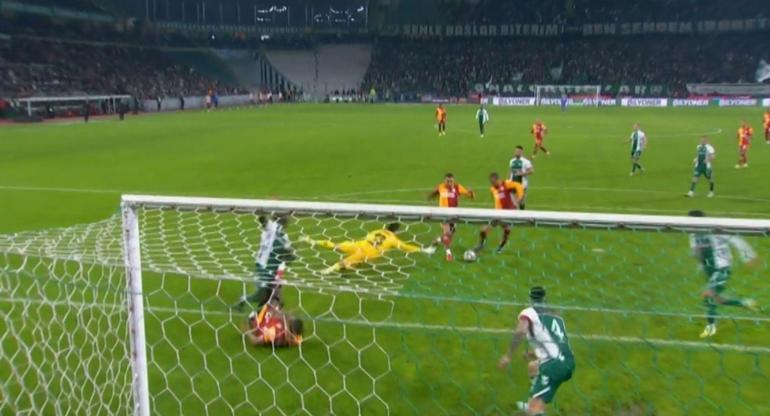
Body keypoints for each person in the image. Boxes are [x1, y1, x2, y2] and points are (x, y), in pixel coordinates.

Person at [498, 286, 575, 416]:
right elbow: (556, 342)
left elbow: (520, 331)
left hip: (553, 364)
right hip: (567, 361)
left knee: (535, 409)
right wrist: (534, 353)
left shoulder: (529, 313)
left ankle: (534, 407)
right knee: (533, 366)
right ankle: (533, 402)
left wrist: (508, 356)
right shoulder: (557, 317)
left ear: (530, 299)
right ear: (545, 298)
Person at [687, 210, 758, 338]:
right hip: (708, 269)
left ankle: (711, 327)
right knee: (717, 299)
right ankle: (744, 303)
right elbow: (695, 251)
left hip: (722, 268)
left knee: (709, 294)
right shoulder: (693, 234)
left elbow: (736, 240)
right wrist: (698, 259)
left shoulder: (716, 229)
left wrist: (748, 257)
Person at [300, 223, 435, 274]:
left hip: (360, 244)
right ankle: (328, 270)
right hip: (369, 254)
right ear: (395, 231)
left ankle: (311, 240)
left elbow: (368, 236)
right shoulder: (393, 239)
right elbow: (406, 247)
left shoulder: (377, 230)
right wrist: (423, 249)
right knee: (349, 261)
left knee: (337, 245)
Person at [234, 215, 295, 311]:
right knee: (263, 292)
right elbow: (262, 220)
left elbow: (289, 259)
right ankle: (246, 301)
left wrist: (289, 254)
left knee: (268, 293)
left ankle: (267, 308)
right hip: (263, 266)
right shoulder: (271, 228)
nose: (288, 220)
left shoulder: (283, 236)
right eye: (286, 217)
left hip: (272, 269)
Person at [428, 173, 475, 261]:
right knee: (448, 233)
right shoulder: (441, 187)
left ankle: (434, 243)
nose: (449, 183)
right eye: (448, 181)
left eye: (451, 181)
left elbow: (470, 196)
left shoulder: (457, 187)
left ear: (454, 181)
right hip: (443, 215)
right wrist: (430, 196)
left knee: (448, 236)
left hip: (454, 216)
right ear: (444, 181)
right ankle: (448, 253)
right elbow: (434, 193)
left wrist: (471, 192)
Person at [474, 172, 524, 254]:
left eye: (493, 182)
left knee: (506, 231)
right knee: (483, 230)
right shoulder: (492, 189)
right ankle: (481, 244)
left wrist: (519, 199)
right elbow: (497, 201)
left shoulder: (506, 184)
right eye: (491, 182)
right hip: (497, 214)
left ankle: (501, 246)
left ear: (498, 180)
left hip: (509, 213)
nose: (492, 184)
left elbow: (519, 186)